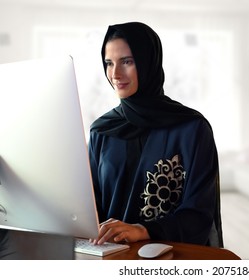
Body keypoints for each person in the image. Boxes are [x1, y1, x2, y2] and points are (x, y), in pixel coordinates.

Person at [88, 22, 223, 248]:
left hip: (168, 255)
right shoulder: (101, 130)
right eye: (109, 63)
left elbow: (199, 212)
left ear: (148, 62)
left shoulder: (192, 129)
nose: (115, 74)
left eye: (127, 62)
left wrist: (143, 230)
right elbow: (90, 205)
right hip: (107, 254)